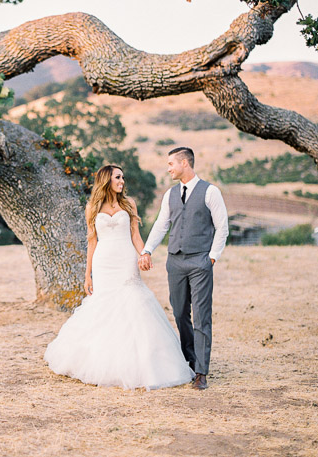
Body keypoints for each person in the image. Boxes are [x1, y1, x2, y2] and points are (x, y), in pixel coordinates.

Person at [44, 164, 194, 390]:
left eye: (123, 177)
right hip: (103, 262)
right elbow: (92, 241)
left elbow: (135, 234)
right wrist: (88, 275)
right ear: (106, 180)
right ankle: (102, 360)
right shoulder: (92, 207)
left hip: (126, 260)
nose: (122, 181)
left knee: (133, 301)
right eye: (118, 177)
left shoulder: (128, 203)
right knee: (104, 306)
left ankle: (143, 361)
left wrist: (144, 253)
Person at [139, 147, 229, 391]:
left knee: (201, 316)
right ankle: (189, 360)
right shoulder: (170, 194)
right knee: (179, 313)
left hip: (200, 261)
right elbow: (161, 225)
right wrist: (147, 250)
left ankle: (201, 371)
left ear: (185, 163)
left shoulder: (210, 191)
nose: (168, 169)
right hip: (175, 261)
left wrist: (212, 258)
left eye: (171, 164)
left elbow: (222, 227)